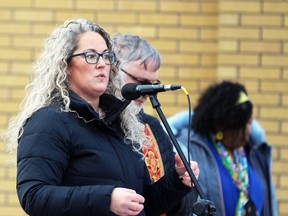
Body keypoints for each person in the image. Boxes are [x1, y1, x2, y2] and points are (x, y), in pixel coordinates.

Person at [5, 18, 200, 216]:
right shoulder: (48, 121)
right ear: (65, 65)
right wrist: (108, 199)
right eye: (90, 56)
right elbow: (33, 196)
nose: (101, 64)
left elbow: (142, 205)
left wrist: (177, 181)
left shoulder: (122, 124)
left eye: (106, 56)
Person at [112, 33, 199, 215]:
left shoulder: (154, 128)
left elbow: (171, 206)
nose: (147, 93)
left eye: (153, 84)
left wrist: (181, 180)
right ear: (113, 71)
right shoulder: (93, 123)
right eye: (141, 82)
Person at [169, 80, 277, 216]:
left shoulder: (254, 151)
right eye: (244, 125)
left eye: (250, 123)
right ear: (224, 126)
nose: (249, 130)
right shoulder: (191, 148)